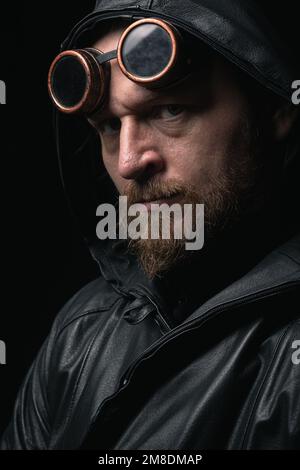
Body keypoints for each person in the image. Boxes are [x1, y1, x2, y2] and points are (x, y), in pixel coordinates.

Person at [1, 0, 299, 450]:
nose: (129, 162)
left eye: (169, 111)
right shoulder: (81, 331)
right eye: (107, 127)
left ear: (275, 109)